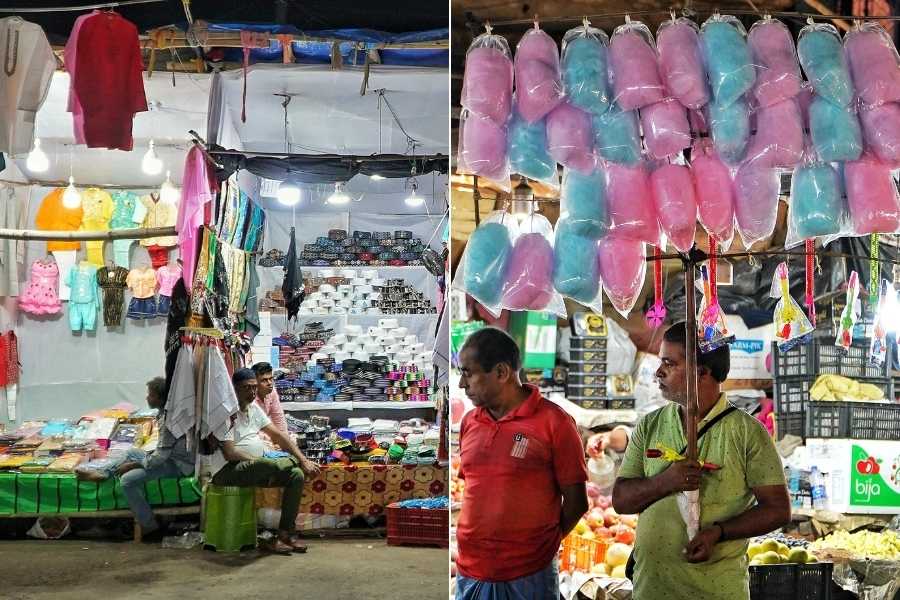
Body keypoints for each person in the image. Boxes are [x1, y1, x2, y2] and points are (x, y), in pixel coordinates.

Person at [612, 322, 791, 600]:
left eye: (669, 364)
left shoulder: (747, 432)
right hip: (651, 589)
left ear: (702, 372)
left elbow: (778, 509)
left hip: (716, 591)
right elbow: (622, 500)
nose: (659, 372)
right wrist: (666, 481)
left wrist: (719, 533)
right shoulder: (650, 425)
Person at [455, 327, 588, 599]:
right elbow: (475, 489)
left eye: (468, 373)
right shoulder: (470, 422)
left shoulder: (555, 423)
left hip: (529, 576)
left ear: (502, 373)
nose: (461, 384)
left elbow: (577, 502)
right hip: (470, 571)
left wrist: (538, 548)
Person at [208, 368, 321, 554]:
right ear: (234, 389)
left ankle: (285, 534)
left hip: (256, 468)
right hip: (228, 471)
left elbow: (279, 436)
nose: (252, 392)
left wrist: (303, 459)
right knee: (268, 463)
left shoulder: (253, 409)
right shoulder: (225, 414)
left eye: (254, 387)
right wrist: (258, 462)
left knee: (297, 475)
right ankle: (281, 464)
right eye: (246, 388)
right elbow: (230, 453)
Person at [119, 377, 194, 541]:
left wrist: (136, 464)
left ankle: (150, 526)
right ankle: (104, 472)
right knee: (131, 452)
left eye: (150, 395)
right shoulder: (166, 413)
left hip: (179, 465)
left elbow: (160, 457)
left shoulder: (168, 419)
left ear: (160, 398)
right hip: (171, 457)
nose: (147, 398)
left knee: (126, 481)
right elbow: (163, 450)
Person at [251, 362, 289, 440]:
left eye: (271, 379)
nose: (269, 383)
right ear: (255, 383)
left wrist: (284, 440)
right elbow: (252, 429)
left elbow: (278, 418)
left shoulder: (272, 392)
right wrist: (271, 440)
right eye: (264, 380)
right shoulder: (250, 398)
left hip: (264, 432)